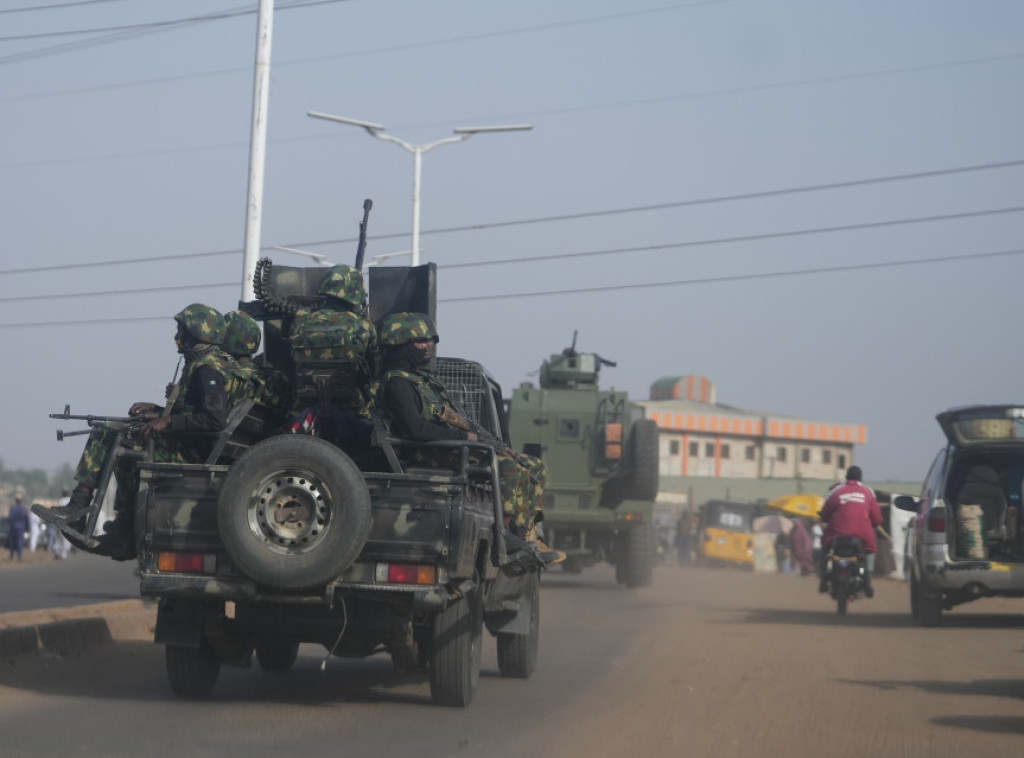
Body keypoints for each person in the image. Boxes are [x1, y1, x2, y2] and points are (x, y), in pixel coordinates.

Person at [33, 304, 231, 560]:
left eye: (181, 331)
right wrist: (160, 411)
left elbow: (215, 419)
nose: (176, 337)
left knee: (117, 442)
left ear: (197, 333)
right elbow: (197, 411)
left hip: (191, 452)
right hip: (189, 443)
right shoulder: (203, 364)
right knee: (116, 432)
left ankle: (112, 527)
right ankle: (91, 515)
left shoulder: (207, 369)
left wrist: (168, 422)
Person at [376, 312, 562, 565]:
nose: (427, 347)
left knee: (533, 466)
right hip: (430, 452)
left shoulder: (422, 381)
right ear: (401, 346)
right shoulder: (397, 384)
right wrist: (464, 437)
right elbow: (414, 430)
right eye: (420, 342)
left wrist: (475, 437)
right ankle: (509, 536)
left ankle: (527, 535)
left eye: (429, 341)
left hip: (446, 446)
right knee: (507, 468)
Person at [286, 264, 379, 451]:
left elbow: (291, 361)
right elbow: (375, 369)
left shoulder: (299, 323)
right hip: (352, 410)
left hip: (304, 408)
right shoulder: (363, 326)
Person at [818, 465, 883, 597]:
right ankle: (868, 579)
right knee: (869, 553)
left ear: (846, 477)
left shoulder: (836, 490)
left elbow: (825, 514)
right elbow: (876, 519)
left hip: (836, 534)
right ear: (860, 478)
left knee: (825, 551)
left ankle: (823, 579)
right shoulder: (868, 492)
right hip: (862, 535)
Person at [7, 496, 29, 561]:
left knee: (12, 542)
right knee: (19, 541)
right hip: (21, 528)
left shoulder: (13, 509)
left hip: (14, 527)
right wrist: (27, 528)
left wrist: (11, 525)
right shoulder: (24, 509)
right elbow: (26, 519)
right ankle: (19, 555)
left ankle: (12, 554)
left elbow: (10, 518)